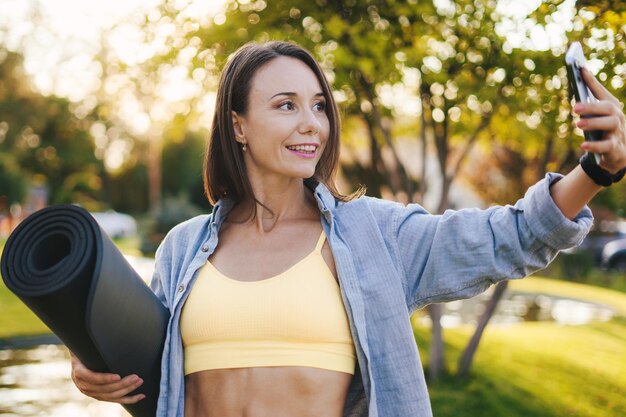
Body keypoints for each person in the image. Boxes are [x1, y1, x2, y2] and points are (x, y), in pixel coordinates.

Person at [70, 40, 626, 417]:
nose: (311, 122)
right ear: (237, 125)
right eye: (285, 105)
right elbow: (143, 357)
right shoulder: (184, 247)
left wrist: (596, 171)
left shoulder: (374, 235)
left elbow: (511, 236)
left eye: (318, 105)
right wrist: (89, 365)